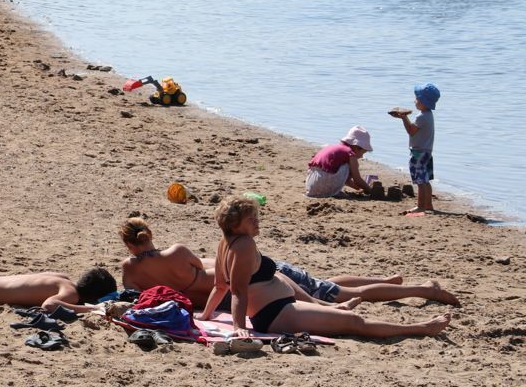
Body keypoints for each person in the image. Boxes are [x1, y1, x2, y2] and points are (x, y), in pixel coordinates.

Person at [197, 196, 450, 338]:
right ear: (235, 223)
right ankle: (421, 328)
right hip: (276, 313)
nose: (257, 222)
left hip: (283, 303)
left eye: (257, 216)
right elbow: (237, 291)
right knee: (354, 322)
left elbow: (219, 286)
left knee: (297, 285)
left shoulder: (226, 242)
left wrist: (206, 316)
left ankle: (331, 306)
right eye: (251, 219)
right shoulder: (243, 246)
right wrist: (239, 329)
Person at [117, 217, 457, 309]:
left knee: (330, 291)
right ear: (149, 234)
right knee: (323, 285)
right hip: (262, 274)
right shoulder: (176, 251)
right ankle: (391, 280)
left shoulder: (130, 269)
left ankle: (420, 289)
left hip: (263, 272)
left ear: (128, 243)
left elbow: (133, 296)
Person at [391, 83, 440, 215]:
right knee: (426, 180)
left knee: (420, 181)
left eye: (417, 99)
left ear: (423, 102)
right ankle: (428, 205)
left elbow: (411, 131)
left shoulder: (421, 116)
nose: (415, 101)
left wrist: (404, 117)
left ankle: (421, 207)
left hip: (418, 152)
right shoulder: (428, 115)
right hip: (427, 151)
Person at [305, 125, 373, 197]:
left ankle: (326, 191)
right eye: (363, 153)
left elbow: (347, 180)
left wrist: (358, 188)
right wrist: (370, 190)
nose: (362, 156)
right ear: (357, 147)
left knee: (344, 166)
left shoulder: (332, 147)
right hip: (324, 185)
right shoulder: (350, 153)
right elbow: (357, 179)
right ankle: (330, 191)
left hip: (311, 187)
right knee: (348, 166)